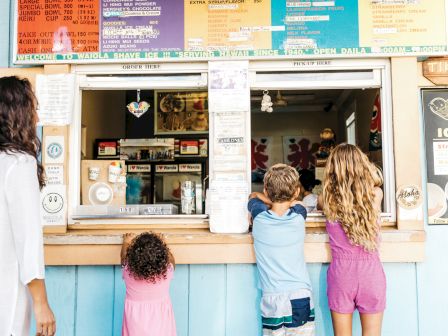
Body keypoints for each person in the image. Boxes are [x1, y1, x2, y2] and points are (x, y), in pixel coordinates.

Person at [0, 76, 56, 336]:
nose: (36, 115)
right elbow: (28, 241)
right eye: (33, 108)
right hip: (7, 298)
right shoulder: (19, 164)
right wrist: (41, 303)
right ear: (19, 113)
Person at [320, 143, 385, 336]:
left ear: (333, 169)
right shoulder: (376, 195)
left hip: (341, 274)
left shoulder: (327, 199)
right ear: (363, 165)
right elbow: (375, 181)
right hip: (371, 273)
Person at [248, 163, 315, 336]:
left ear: (266, 191)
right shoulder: (299, 216)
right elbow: (299, 204)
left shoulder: (259, 218)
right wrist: (283, 199)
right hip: (300, 296)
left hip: (272, 299)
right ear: (296, 192)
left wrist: (268, 198)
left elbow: (253, 197)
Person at [121, 232, 177, 336]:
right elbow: (172, 262)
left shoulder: (128, 271)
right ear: (162, 255)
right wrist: (163, 243)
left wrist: (126, 243)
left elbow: (124, 259)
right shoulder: (166, 272)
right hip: (161, 323)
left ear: (133, 256)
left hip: (135, 324)